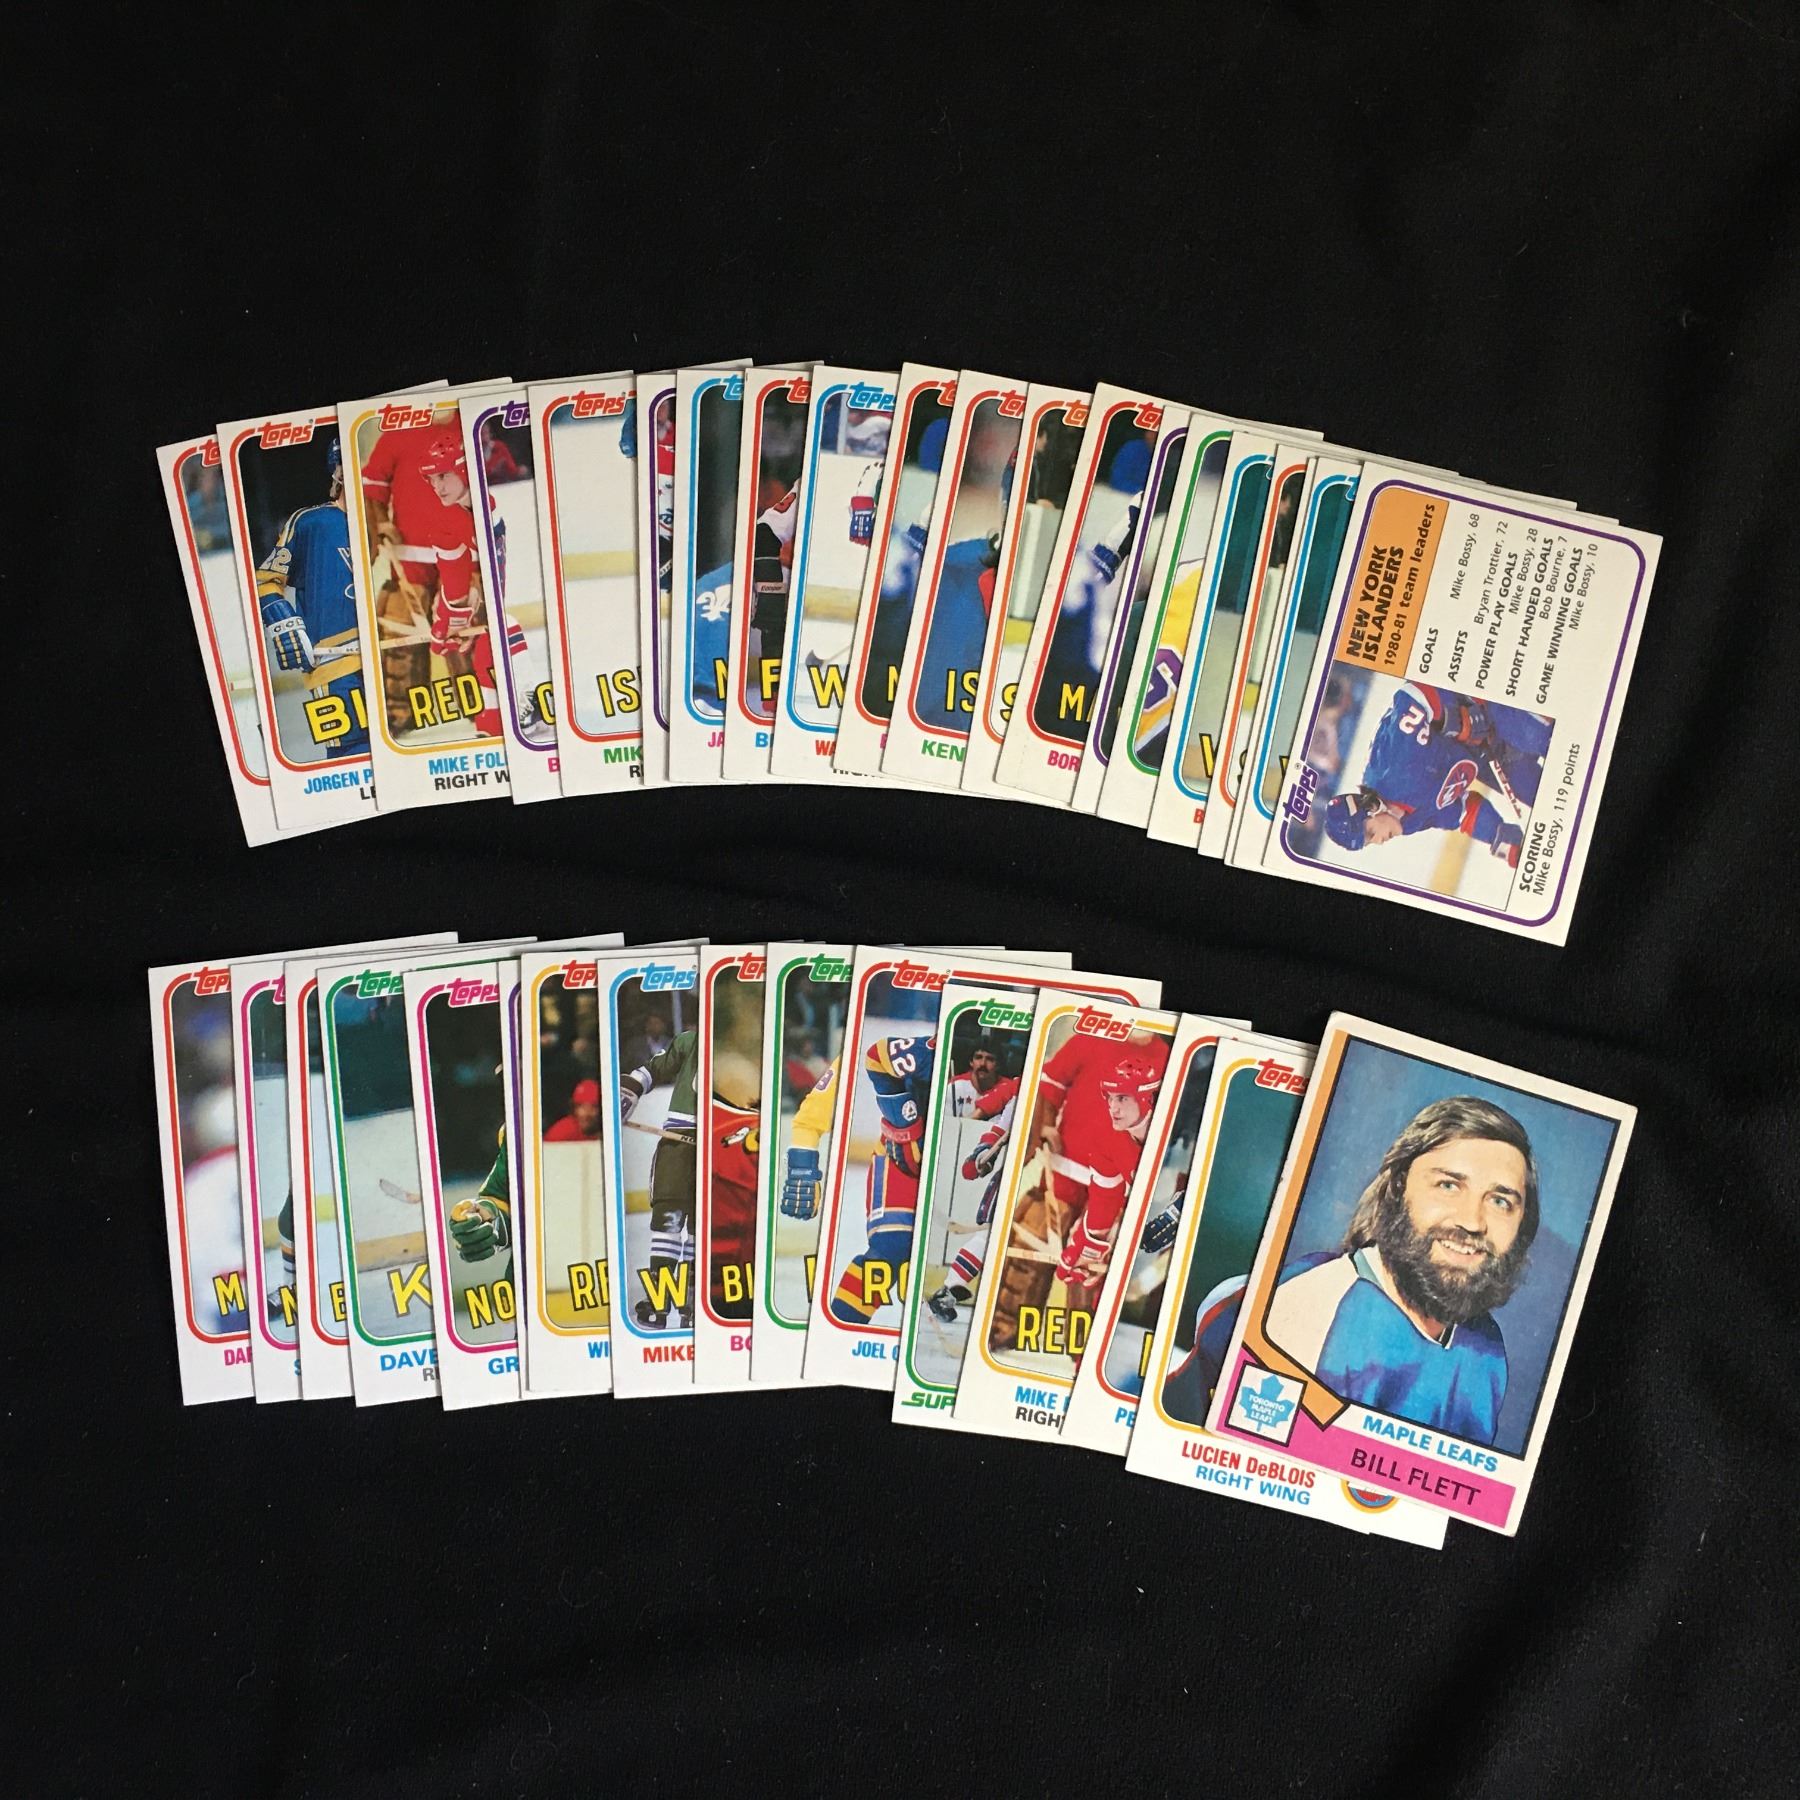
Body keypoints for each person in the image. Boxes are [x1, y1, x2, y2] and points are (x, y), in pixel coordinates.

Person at [1172, 1095, 1539, 1447]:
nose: (1472, 1221)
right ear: (1398, 1187)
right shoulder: (1315, 1313)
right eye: (1448, 1185)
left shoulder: (1487, 1345)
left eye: (1500, 1201)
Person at [1324, 683, 1552, 868]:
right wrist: (1496, 834)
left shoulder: (1393, 765)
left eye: (1371, 832)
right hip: (1484, 754)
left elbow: (1412, 694)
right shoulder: (1406, 822)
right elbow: (1462, 810)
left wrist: (1458, 720)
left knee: (1547, 739)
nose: (1380, 841)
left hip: (1481, 706)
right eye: (1370, 842)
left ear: (1370, 809)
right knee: (1547, 796)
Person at [255, 436, 367, 757]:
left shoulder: (395, 520)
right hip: (338, 668)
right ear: (338, 471)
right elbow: (266, 581)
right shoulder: (311, 523)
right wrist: (283, 622)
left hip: (397, 662)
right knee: (351, 760)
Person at [618, 1026, 699, 1328]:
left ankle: (688, 1300)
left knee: (699, 1225)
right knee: (671, 1220)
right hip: (683, 1141)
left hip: (711, 1143)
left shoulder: (744, 1043)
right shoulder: (692, 1040)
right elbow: (654, 1069)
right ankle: (664, 1299)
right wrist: (630, 1088)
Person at [544, 1077, 602, 1142]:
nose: (587, 1113)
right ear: (574, 1109)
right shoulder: (563, 1130)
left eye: (593, 1107)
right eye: (581, 1107)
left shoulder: (606, 1129)